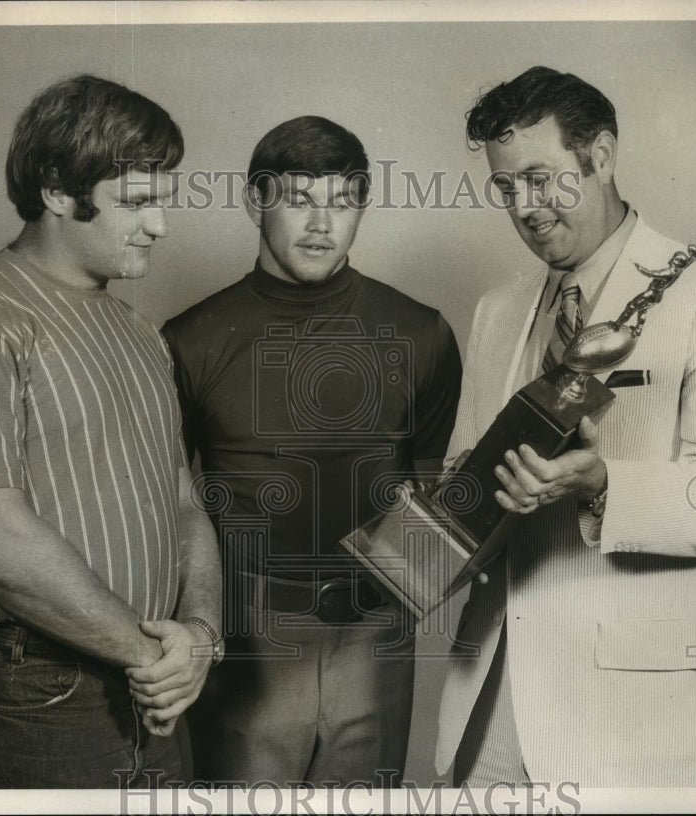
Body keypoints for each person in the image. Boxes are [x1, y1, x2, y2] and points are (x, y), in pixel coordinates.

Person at [435, 66, 696, 787]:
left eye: (540, 178)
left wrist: (602, 485)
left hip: (633, 720)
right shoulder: (496, 308)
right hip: (490, 706)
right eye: (506, 188)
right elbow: (460, 472)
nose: (524, 207)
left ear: (601, 156)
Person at [0, 74, 221, 789]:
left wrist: (197, 638)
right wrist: (149, 653)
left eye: (162, 201)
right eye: (136, 203)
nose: (160, 226)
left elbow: (183, 502)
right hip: (27, 696)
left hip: (155, 690)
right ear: (55, 191)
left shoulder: (139, 332)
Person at [162, 115, 462, 786]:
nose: (322, 222)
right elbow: (170, 507)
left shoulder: (422, 334)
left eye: (344, 199)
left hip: (376, 634)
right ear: (255, 201)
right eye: (299, 199)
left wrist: (394, 609)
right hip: (248, 640)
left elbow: (429, 486)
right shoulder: (190, 340)